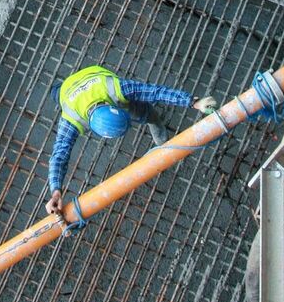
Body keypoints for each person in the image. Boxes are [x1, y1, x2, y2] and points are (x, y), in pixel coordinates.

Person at [45, 64, 217, 216]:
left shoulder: (115, 88)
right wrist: (56, 192)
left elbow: (154, 92)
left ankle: (162, 142)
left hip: (92, 78)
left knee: (147, 114)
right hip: (67, 90)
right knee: (56, 91)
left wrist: (194, 102)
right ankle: (58, 87)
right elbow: (59, 156)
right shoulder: (70, 117)